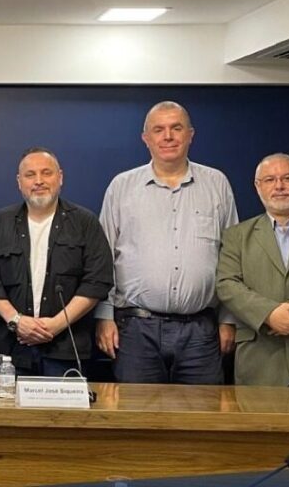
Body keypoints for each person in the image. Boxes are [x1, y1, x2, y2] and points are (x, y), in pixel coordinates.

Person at [97, 101, 238, 384]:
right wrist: (104, 316)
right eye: (158, 130)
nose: (168, 136)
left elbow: (232, 257)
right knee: (136, 411)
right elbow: (103, 258)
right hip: (135, 330)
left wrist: (228, 320)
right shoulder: (122, 187)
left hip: (201, 332)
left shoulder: (217, 184)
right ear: (146, 138)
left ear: (190, 135)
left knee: (203, 411)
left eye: (176, 128)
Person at [0, 148, 113, 376]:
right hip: (9, 349)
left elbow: (97, 281)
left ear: (60, 177)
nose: (39, 181)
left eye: (46, 173)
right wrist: (16, 320)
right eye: (30, 175)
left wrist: (56, 325)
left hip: (65, 350)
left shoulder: (85, 223)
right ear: (19, 182)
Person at [217, 153, 289, 386]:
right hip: (259, 361)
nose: (279, 186)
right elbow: (227, 284)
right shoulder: (237, 235)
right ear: (258, 186)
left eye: (287, 178)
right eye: (270, 180)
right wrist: (269, 314)